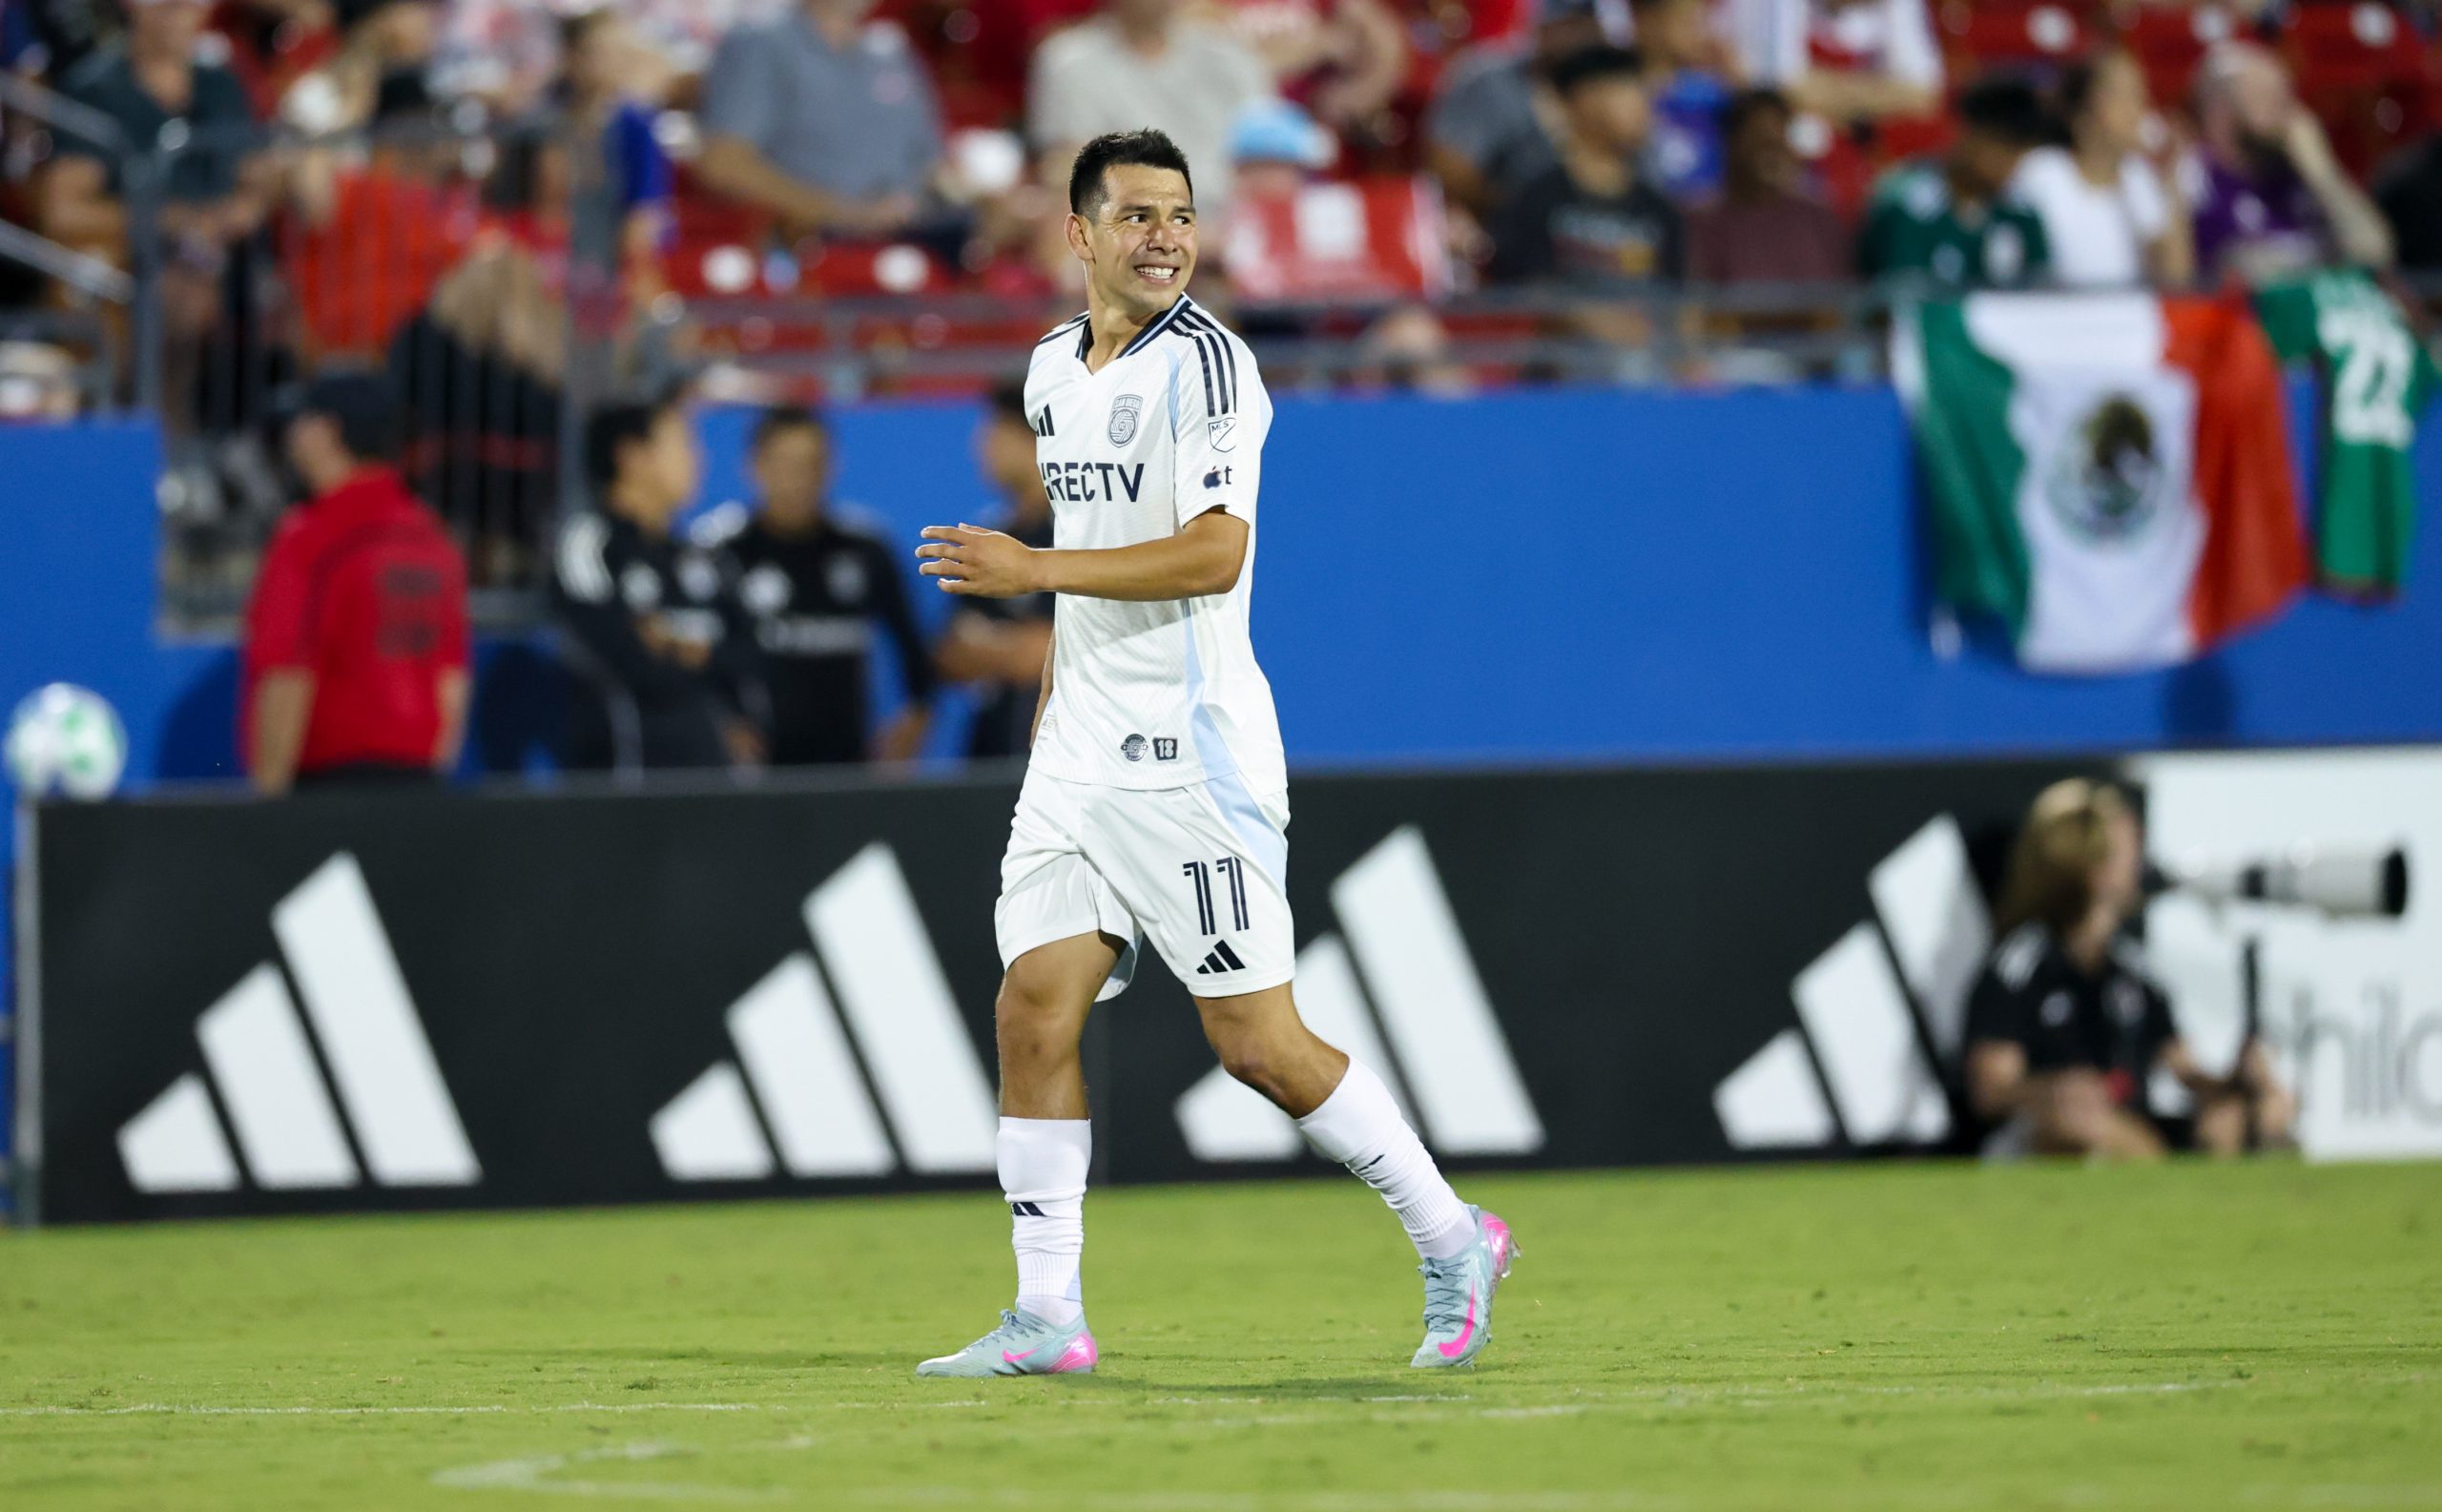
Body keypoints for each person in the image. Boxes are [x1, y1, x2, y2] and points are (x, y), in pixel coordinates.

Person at [907, 129, 1515, 1377]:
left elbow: (1214, 554)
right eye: (1135, 215)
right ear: (1078, 235)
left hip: (1190, 760)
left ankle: (1454, 1234)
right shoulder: (1049, 371)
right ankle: (1046, 1314)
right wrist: (1047, 732)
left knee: (1257, 1048)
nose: (1165, 236)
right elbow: (1087, 589)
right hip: (1075, 751)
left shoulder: (1215, 368)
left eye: (1179, 214)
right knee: (1033, 1003)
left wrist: (1032, 568)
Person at [1964, 779, 2297, 1161]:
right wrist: (2052, 1090)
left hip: (2133, 1131)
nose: (2141, 866)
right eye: (2128, 852)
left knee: (2239, 1117)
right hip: (2043, 1139)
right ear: (2093, 865)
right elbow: (1990, 1088)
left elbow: (2186, 1071)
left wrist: (2239, 1082)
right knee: (2078, 1119)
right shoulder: (2020, 966)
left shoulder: (2134, 971)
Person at [240, 370, 470, 796]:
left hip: (328, 790)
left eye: (302, 422)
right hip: (420, 787)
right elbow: (451, 683)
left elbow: (288, 674)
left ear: (326, 433)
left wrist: (269, 806)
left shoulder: (309, 537)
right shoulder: (432, 539)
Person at [696, 407, 937, 767]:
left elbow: (915, 652)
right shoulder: (719, 553)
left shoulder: (865, 549)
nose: (800, 479)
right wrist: (720, 725)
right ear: (754, 465)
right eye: (785, 463)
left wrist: (915, 720)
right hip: (752, 773)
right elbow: (690, 659)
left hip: (848, 768)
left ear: (831, 466)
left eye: (812, 463)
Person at [551, 397, 768, 776]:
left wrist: (671, 643)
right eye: (682, 444)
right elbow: (623, 657)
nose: (697, 459)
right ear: (632, 456)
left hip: (715, 777)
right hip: (628, 779)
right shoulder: (588, 547)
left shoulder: (702, 558)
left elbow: (751, 650)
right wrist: (699, 655)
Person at [694, 0, 944, 241]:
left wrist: (906, 205)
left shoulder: (892, 51)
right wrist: (842, 213)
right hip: (806, 242)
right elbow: (723, 163)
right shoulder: (759, 41)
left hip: (911, 238)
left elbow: (932, 163)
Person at [1027, 0, 1273, 225]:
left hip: (1235, 223)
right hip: (1127, 224)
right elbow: (1069, 164)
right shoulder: (1070, 61)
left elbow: (1268, 150)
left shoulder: (1231, 57)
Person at [2185, 41, 2393, 281]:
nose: (2289, 115)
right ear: (2221, 113)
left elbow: (2376, 252)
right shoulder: (2192, 177)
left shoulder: (2301, 175)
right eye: (2269, 100)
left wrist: (2323, 172)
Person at [1486, 44, 1683, 289]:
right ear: (1586, 99)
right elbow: (1527, 294)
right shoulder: (1533, 200)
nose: (1646, 110)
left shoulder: (1659, 210)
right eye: (1631, 93)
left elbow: (1682, 299)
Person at [933, 380, 1058, 762]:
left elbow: (1053, 650)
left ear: (1034, 438)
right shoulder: (992, 534)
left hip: (1057, 759)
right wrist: (1016, 648)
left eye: (997, 430)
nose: (982, 445)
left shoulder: (1077, 535)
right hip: (988, 755)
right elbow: (951, 653)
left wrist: (991, 642)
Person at [2011, 49, 2191, 288]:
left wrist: (2168, 181)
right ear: (2081, 111)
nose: (2135, 110)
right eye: (2120, 95)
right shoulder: (2042, 173)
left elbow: (2175, 279)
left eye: (2139, 96)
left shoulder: (2140, 179)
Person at [1424, 0, 1616, 218]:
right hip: (1495, 229)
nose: (1582, 39)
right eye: (1571, 25)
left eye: (1590, 28)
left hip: (1588, 229)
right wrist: (1523, 215)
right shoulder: (1490, 80)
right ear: (1542, 25)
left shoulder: (1609, 89)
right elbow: (1449, 169)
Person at [1858, 73, 2051, 287]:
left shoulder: (2020, 214)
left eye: (2018, 153)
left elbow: (2040, 298)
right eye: (2002, 147)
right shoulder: (1909, 206)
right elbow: (1903, 300)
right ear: (1969, 134)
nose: (2008, 164)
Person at [1685, 87, 1848, 284]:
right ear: (1732, 143)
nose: (1771, 152)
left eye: (1778, 141)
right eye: (1759, 139)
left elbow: (1841, 304)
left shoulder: (1818, 221)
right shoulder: (1704, 224)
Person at [1718, 0, 1941, 125]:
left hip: (1858, 144)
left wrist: (1829, 95)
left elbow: (1924, 95)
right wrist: (1878, 93)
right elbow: (1776, 89)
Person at [1628, 0, 1733, 201]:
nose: (1698, 33)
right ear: (1650, 23)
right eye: (1687, 23)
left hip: (1706, 213)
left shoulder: (1713, 93)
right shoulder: (1625, 91)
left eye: (1700, 23)